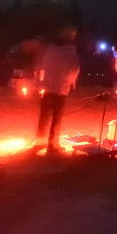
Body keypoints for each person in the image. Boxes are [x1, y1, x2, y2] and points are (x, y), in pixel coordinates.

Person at [34, 26, 80, 154]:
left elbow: (43, 65)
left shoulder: (51, 48)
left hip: (47, 86)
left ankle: (40, 140)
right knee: (56, 117)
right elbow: (74, 67)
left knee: (44, 114)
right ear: (70, 36)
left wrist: (40, 82)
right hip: (60, 87)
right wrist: (72, 81)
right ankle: (53, 145)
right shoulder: (70, 50)